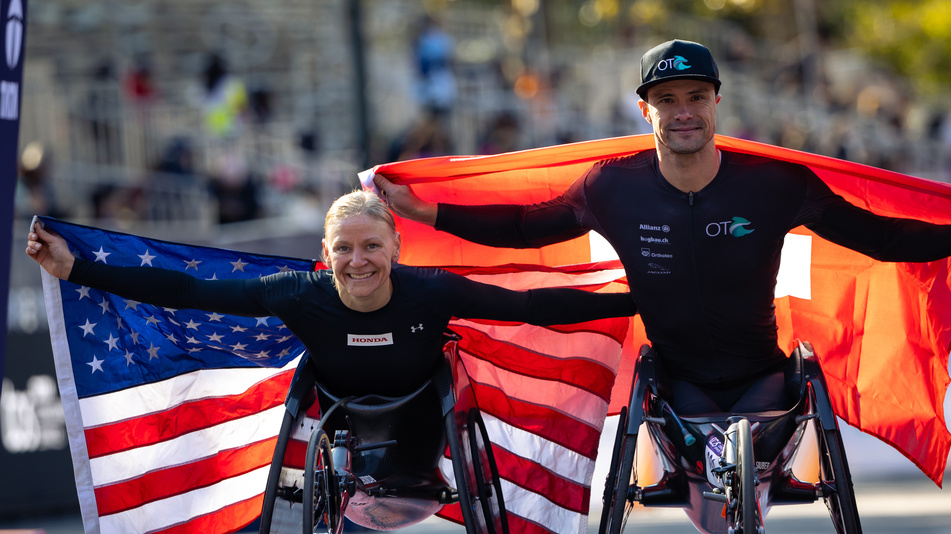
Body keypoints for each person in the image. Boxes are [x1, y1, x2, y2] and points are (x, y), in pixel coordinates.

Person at [375, 39, 951, 415]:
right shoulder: (611, 185)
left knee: (767, 411)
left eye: (695, 98)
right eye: (667, 101)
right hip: (671, 384)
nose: (682, 113)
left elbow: (876, 236)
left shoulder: (776, 183)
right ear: (644, 109)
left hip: (766, 379)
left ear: (717, 102)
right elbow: (526, 228)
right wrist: (428, 213)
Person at [26, 189, 635, 401]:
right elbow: (186, 289)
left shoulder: (432, 290)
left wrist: (636, 303)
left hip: (422, 409)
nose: (357, 261)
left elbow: (530, 309)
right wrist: (77, 270)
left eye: (371, 247)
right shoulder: (297, 293)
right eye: (343, 249)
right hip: (337, 412)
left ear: (396, 249)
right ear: (326, 256)